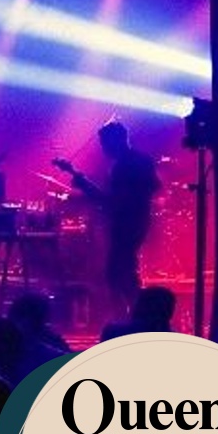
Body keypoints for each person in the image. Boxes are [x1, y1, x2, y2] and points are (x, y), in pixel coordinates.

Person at [59, 120, 161, 320]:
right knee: (124, 271)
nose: (103, 149)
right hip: (137, 221)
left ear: (116, 141)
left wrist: (79, 179)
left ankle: (131, 320)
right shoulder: (141, 160)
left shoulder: (123, 166)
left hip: (126, 223)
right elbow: (154, 187)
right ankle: (137, 319)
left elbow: (109, 200)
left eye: (104, 143)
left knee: (117, 274)